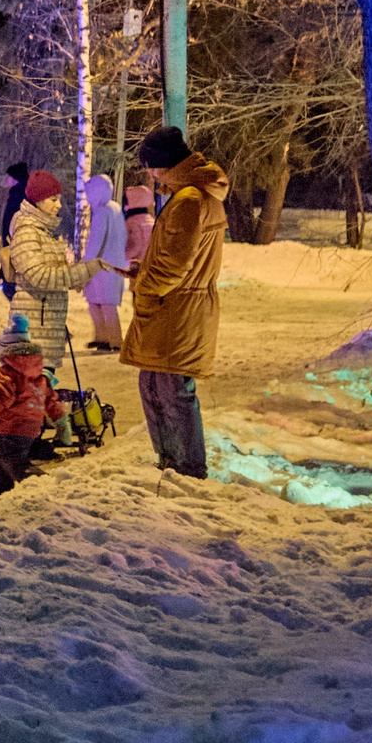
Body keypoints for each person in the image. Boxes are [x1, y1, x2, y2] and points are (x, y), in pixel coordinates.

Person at [118, 125, 228, 479]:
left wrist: (145, 284)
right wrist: (145, 271)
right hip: (177, 306)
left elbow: (175, 267)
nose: (149, 173)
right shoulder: (190, 196)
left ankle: (186, 468)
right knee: (154, 386)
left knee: (171, 391)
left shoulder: (189, 200)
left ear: (163, 164)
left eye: (151, 165)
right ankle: (172, 463)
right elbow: (175, 259)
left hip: (178, 309)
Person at [0, 169, 96, 362]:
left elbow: (52, 270)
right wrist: (81, 272)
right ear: (39, 200)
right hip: (34, 331)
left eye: (59, 199)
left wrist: (68, 274)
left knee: (43, 388)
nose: (59, 205)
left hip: (45, 328)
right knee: (33, 388)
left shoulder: (45, 230)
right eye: (53, 199)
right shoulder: (27, 230)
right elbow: (39, 276)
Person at [0, 328, 66, 494]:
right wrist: (61, 422)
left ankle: (45, 488)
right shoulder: (39, 374)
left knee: (12, 460)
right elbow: (50, 399)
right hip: (32, 426)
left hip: (12, 426)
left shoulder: (5, 374)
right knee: (1, 468)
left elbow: (3, 398)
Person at [80, 174, 129, 352]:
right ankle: (102, 337)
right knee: (95, 301)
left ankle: (115, 341)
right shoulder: (115, 208)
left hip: (102, 267)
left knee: (106, 304)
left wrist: (84, 267)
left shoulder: (102, 212)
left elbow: (95, 242)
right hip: (112, 265)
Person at [0, 162, 31, 298]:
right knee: (14, 291)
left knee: (12, 290)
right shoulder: (21, 194)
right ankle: (25, 318)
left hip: (16, 247)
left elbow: (12, 223)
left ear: (15, 178)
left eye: (9, 177)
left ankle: (25, 319)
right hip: (17, 247)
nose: (7, 180)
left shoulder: (18, 197)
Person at [121, 182, 156, 272]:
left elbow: (135, 246)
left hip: (137, 267)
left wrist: (119, 258)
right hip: (150, 266)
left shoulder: (134, 222)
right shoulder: (151, 220)